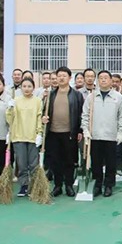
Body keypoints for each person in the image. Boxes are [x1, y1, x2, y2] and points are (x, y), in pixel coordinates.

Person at [81, 70, 122, 198]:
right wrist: (86, 130)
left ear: (111, 81)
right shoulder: (91, 97)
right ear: (97, 80)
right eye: (100, 78)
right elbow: (85, 115)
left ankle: (109, 185)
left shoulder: (118, 97)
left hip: (111, 136)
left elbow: (121, 116)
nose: (103, 80)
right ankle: (97, 184)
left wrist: (121, 132)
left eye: (106, 78)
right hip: (94, 135)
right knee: (96, 162)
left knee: (111, 163)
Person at [42, 67, 84, 198]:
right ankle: (58, 185)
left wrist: (80, 130)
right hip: (53, 133)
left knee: (69, 160)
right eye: (59, 75)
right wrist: (43, 118)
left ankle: (69, 185)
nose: (61, 78)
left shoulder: (76, 95)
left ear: (69, 78)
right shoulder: (51, 95)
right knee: (55, 161)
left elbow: (82, 114)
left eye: (64, 76)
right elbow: (44, 112)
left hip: (69, 133)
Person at [5, 78, 43, 197]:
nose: (26, 89)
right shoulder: (15, 100)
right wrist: (9, 109)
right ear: (21, 88)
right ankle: (24, 185)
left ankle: (35, 186)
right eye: (24, 86)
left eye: (29, 86)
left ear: (33, 88)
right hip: (18, 136)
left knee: (33, 164)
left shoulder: (37, 101)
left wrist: (39, 133)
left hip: (32, 136)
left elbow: (39, 117)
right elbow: (9, 119)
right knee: (21, 163)